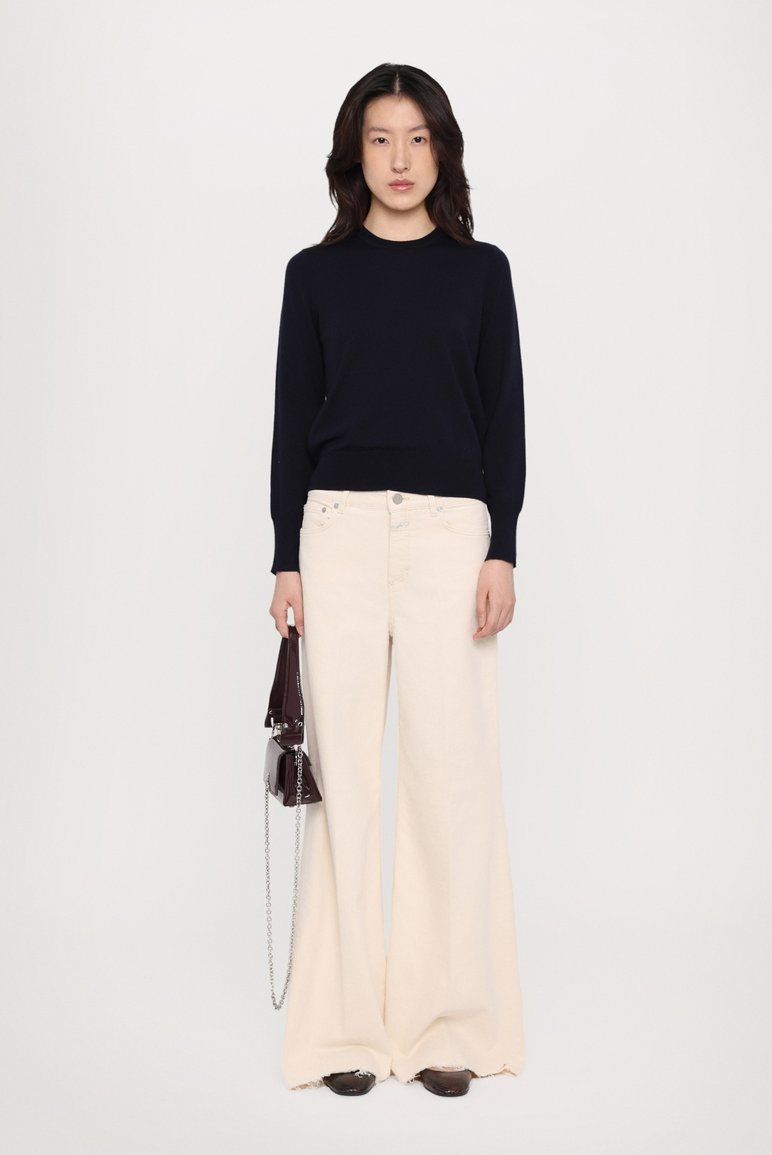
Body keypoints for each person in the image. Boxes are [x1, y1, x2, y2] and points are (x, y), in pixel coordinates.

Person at [268, 62, 526, 1097]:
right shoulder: (313, 275)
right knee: (342, 781)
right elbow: (291, 419)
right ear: (354, 155)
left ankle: (444, 1025)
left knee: (447, 778)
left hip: (451, 538)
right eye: (380, 139)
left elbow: (503, 419)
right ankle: (340, 1033)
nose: (400, 159)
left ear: (441, 150)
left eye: (417, 138)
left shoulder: (482, 273)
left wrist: (503, 545)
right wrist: (284, 554)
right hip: (334, 534)